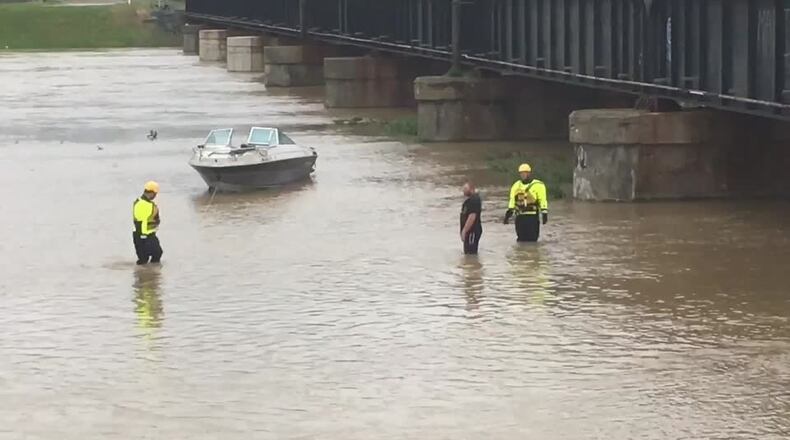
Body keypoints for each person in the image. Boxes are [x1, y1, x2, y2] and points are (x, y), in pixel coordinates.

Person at [503, 163, 548, 242]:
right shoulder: (516, 185)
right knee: (520, 239)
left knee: (532, 239)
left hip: (532, 217)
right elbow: (512, 200)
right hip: (520, 217)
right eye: (521, 173)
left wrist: (544, 213)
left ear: (529, 173)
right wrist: (508, 214)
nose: (523, 175)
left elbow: (542, 200)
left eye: (525, 173)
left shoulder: (538, 185)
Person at [133, 181, 163, 265]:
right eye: (155, 194)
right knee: (145, 258)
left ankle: (150, 274)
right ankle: (144, 274)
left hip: (149, 234)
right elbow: (139, 222)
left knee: (157, 253)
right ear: (151, 193)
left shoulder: (147, 203)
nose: (155, 196)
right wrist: (143, 237)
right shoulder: (142, 204)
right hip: (143, 236)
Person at [460, 181, 483, 254]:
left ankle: (473, 265)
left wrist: (464, 230)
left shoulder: (474, 200)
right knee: (467, 253)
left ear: (472, 189)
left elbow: (472, 216)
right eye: (463, 188)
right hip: (469, 232)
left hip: (472, 231)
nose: (464, 190)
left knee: (470, 254)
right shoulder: (469, 200)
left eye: (466, 188)